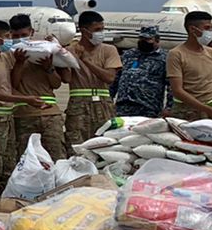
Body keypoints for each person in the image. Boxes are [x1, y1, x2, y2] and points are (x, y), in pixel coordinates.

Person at [0, 20, 42, 196]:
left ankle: (1, 200)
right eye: (7, 36)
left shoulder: (4, 58)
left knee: (8, 164)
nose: (10, 40)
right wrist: (26, 99)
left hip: (8, 117)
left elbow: (11, 80)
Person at [9, 13, 69, 159]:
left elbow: (57, 83)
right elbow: (13, 85)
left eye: (24, 34)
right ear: (10, 35)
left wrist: (48, 68)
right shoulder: (9, 55)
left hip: (50, 113)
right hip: (24, 115)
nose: (20, 38)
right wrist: (19, 63)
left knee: (56, 157)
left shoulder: (44, 50)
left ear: (32, 32)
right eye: (16, 35)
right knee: (26, 160)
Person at [65, 11, 121, 144]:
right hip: (78, 105)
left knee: (105, 143)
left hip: (103, 103)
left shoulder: (109, 50)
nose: (101, 33)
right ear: (84, 31)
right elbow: (66, 78)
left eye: (102, 29)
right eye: (97, 30)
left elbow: (109, 77)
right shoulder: (70, 51)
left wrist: (86, 60)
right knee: (76, 144)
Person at [115, 25, 170, 118]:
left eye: (148, 39)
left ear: (157, 40)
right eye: (141, 38)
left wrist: (169, 107)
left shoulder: (165, 58)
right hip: (123, 106)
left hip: (148, 108)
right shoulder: (128, 54)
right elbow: (116, 78)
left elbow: (171, 85)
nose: (143, 41)